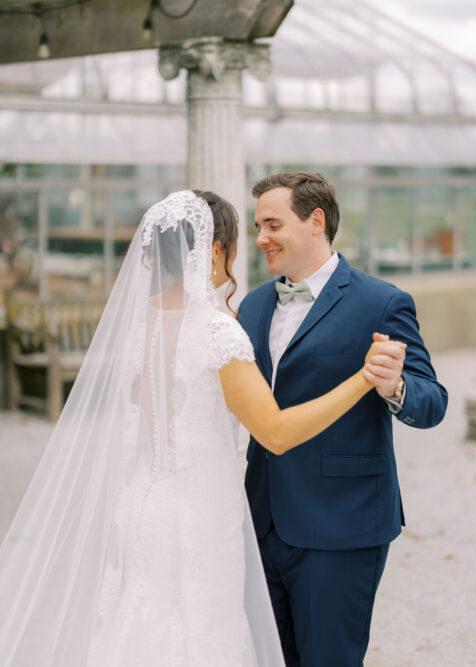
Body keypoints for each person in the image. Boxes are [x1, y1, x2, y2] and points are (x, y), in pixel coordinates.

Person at [0, 189, 404, 666]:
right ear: (214, 249)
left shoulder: (141, 326)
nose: (252, 245)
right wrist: (363, 379)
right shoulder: (215, 331)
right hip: (197, 517)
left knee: (139, 631)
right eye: (241, 238)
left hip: (139, 508)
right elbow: (273, 432)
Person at [237, 172, 449, 667]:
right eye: (257, 226)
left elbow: (432, 401)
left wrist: (393, 385)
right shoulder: (253, 305)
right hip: (260, 519)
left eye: (272, 223)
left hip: (341, 526)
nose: (261, 237)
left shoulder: (381, 301)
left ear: (315, 221)